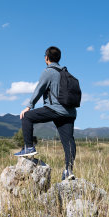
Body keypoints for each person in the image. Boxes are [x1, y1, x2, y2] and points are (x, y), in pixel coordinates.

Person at [15, 46, 77, 180]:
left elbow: (39, 89)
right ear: (59, 58)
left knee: (27, 117)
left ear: (46, 58)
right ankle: (68, 170)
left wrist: (29, 106)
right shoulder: (66, 72)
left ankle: (29, 147)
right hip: (70, 112)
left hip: (55, 109)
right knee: (68, 141)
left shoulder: (49, 71)